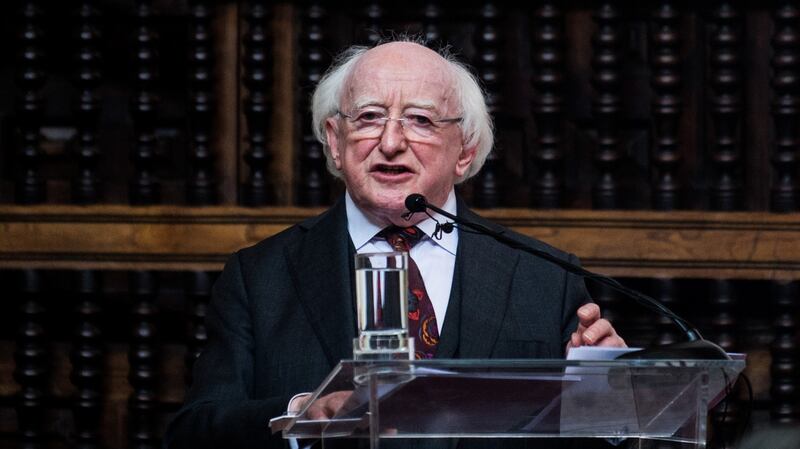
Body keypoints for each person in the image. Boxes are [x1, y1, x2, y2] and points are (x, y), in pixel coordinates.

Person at [164, 38, 625, 449]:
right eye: (368, 117)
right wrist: (300, 413)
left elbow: (593, 435)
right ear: (335, 142)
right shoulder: (259, 277)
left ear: (464, 150)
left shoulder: (545, 277)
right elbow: (195, 431)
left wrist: (601, 401)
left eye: (420, 120)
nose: (390, 142)